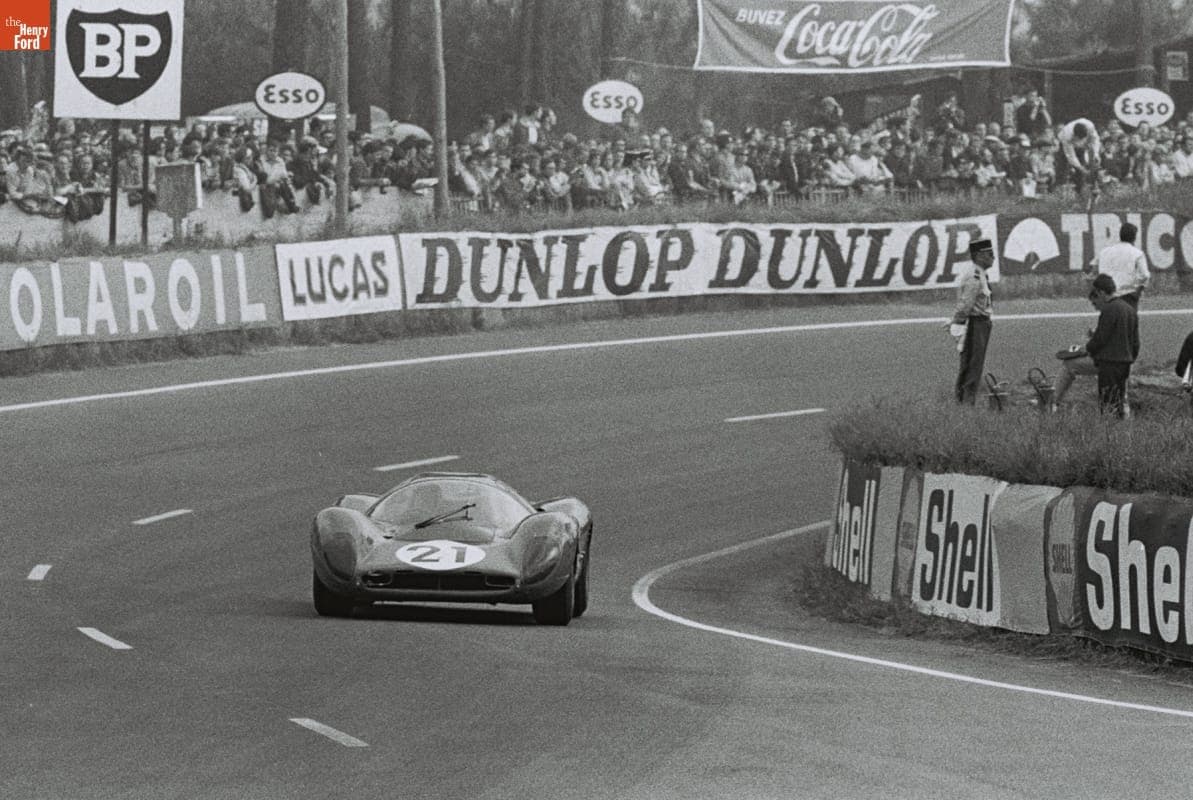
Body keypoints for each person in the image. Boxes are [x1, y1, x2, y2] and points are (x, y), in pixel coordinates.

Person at [1081, 274, 1139, 418]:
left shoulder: (1109, 310)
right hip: (1125, 362)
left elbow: (1100, 338)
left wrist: (1087, 349)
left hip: (1109, 363)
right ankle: (1120, 432)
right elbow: (1136, 342)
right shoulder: (1130, 309)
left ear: (1101, 292)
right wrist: (1130, 358)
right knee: (1120, 401)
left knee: (1107, 404)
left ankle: (1109, 433)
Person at [949, 239, 995, 404]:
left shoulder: (981, 273)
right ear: (979, 256)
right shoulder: (974, 277)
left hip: (981, 323)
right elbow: (965, 305)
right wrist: (957, 324)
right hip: (976, 324)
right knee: (972, 365)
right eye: (989, 254)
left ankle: (965, 401)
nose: (993, 257)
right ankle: (965, 402)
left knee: (975, 363)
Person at [1088, 222, 1149, 309]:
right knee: (1128, 321)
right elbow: (1145, 275)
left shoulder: (1105, 251)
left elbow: (1093, 270)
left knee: (1108, 321)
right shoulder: (1137, 253)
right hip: (1128, 296)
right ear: (1134, 237)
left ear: (1120, 235)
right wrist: (1138, 290)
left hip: (1107, 296)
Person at [1057, 117, 1101, 196]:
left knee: (1082, 166)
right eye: (1079, 138)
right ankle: (1059, 190)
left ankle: (1079, 191)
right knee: (1063, 167)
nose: (1080, 141)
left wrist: (1096, 154)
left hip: (1082, 144)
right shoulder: (1066, 135)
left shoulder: (1090, 126)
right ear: (1075, 135)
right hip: (1066, 146)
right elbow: (1071, 156)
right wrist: (1080, 168)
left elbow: (1096, 141)